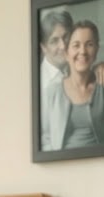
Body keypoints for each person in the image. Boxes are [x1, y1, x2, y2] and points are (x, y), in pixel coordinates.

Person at [43, 19, 104, 150]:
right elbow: (45, 138)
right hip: (63, 166)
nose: (83, 51)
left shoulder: (102, 85)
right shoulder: (52, 91)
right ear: (66, 53)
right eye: (76, 45)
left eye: (89, 44)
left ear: (97, 50)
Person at [39, 7, 73, 148]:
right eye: (54, 41)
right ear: (44, 47)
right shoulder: (40, 84)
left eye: (66, 37)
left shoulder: (78, 71)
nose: (63, 46)